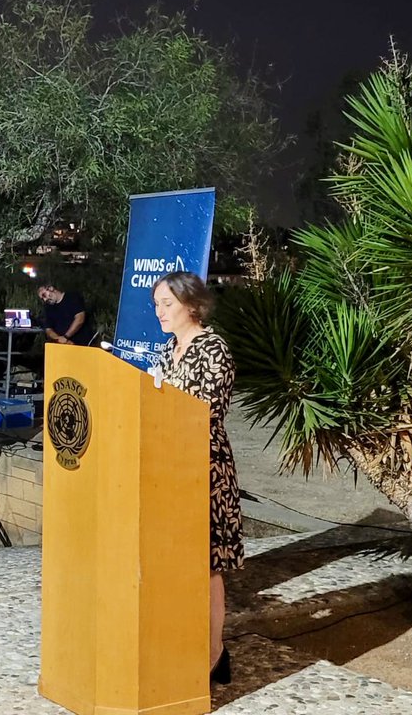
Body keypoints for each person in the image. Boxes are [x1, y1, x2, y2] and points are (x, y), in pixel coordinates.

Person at [152, 270, 243, 686]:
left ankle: (213, 654)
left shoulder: (214, 349)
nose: (160, 313)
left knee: (207, 567)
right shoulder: (166, 350)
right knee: (175, 565)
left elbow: (205, 412)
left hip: (204, 472)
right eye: (156, 305)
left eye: (166, 304)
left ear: (193, 305)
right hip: (166, 473)